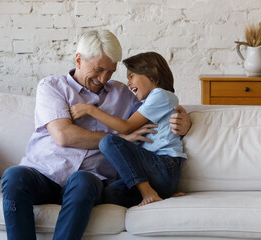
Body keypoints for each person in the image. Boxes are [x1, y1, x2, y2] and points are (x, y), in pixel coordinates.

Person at [1, 29, 191, 240]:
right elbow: (64, 136)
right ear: (79, 59)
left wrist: (185, 121)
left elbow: (157, 110)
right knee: (13, 175)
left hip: (90, 180)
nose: (103, 78)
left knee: (83, 181)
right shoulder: (52, 86)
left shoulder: (123, 95)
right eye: (99, 69)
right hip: (44, 173)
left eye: (110, 72)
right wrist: (118, 140)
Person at [70, 52, 187, 207]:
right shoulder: (147, 103)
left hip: (164, 165)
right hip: (151, 174)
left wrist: (90, 110)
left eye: (131, 76)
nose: (128, 83)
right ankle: (161, 194)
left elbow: (126, 127)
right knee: (109, 194)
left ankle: (147, 192)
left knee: (108, 141)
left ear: (153, 73)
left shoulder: (161, 95)